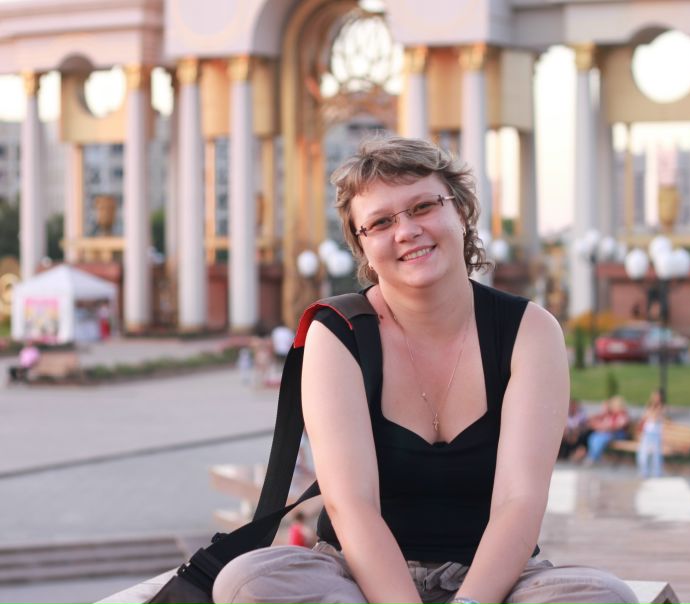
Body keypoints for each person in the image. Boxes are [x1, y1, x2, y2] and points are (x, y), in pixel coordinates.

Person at [212, 137, 638, 604]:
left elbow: (519, 503)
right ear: (362, 245)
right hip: (357, 579)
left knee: (605, 597)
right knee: (247, 581)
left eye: (422, 207)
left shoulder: (529, 331)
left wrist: (471, 602)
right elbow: (351, 505)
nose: (406, 230)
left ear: (461, 211)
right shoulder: (338, 334)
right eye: (381, 222)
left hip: (495, 581)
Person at [583, 396, 630, 465]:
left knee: (600, 439)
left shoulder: (622, 415)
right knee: (593, 437)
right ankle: (594, 456)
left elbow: (618, 427)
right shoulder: (610, 414)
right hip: (608, 433)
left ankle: (593, 458)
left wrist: (606, 428)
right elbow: (597, 421)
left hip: (617, 434)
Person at [636, 389, 665, 478]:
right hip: (647, 433)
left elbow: (655, 418)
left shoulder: (661, 407)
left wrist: (649, 414)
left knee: (656, 455)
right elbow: (644, 417)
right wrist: (649, 414)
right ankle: (644, 472)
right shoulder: (649, 406)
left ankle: (657, 473)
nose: (654, 398)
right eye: (653, 395)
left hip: (655, 434)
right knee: (643, 454)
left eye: (656, 396)